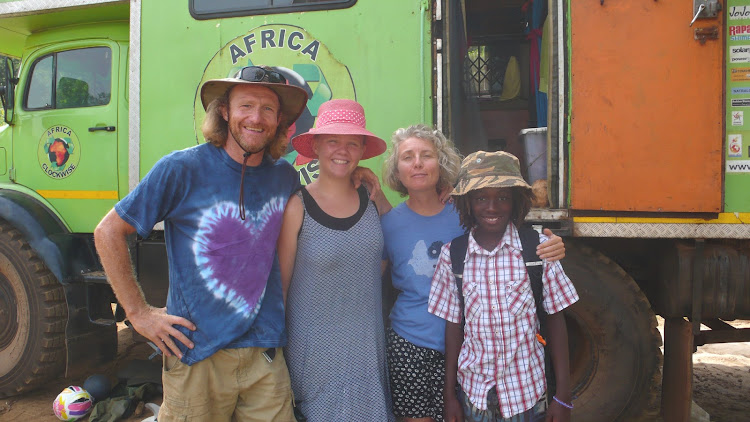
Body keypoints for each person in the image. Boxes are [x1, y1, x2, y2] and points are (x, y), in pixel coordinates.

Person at [94, 65, 310, 421]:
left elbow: (316, 211)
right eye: (246, 106)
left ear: (279, 120)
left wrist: (359, 182)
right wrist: (138, 314)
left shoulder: (283, 176)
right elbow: (108, 232)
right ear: (224, 111)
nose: (256, 118)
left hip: (264, 356)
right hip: (197, 353)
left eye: (268, 109)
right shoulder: (181, 169)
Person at [380, 126, 566, 422]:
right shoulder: (387, 223)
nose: (416, 163)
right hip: (410, 343)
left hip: (469, 352)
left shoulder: (464, 213)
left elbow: (507, 233)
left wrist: (551, 244)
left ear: (441, 165)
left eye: (426, 155)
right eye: (407, 157)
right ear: (396, 169)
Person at [428, 151, 579, 422]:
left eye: (503, 198)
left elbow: (556, 321)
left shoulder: (539, 251)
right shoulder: (454, 256)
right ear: (468, 203)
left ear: (516, 201)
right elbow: (453, 329)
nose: (492, 207)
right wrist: (449, 396)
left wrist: (563, 396)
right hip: (475, 397)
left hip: (527, 396)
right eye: (481, 198)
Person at [278, 98, 395, 421]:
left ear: (362, 151)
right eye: (332, 141)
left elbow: (400, 245)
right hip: (314, 354)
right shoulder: (297, 207)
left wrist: (380, 194)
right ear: (315, 146)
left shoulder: (371, 203)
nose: (342, 151)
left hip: (366, 349)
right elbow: (282, 289)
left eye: (352, 143)